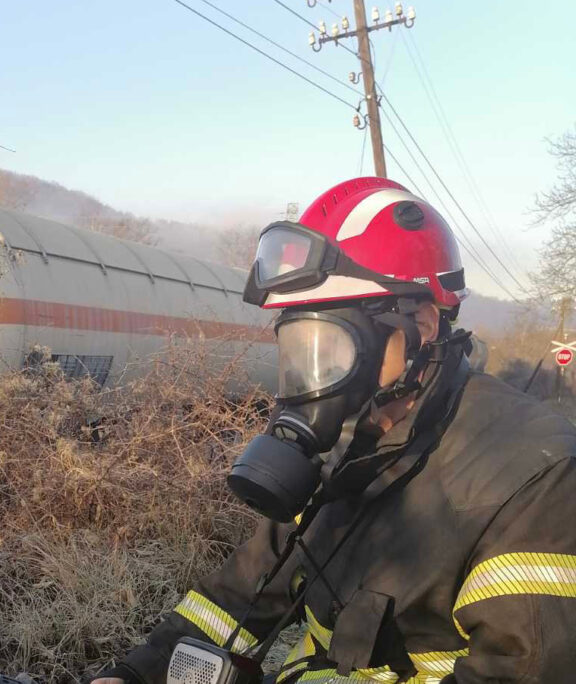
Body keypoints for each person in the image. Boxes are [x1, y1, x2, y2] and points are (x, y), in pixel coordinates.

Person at [91, 177, 576, 684]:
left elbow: (521, 669)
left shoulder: (531, 478)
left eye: (332, 346)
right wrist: (134, 675)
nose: (313, 378)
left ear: (423, 326)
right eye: (299, 351)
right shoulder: (347, 447)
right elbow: (242, 593)